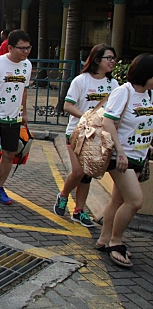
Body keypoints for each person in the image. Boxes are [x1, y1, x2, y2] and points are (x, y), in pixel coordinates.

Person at [94, 54, 153, 268]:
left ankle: (104, 239)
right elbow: (108, 122)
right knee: (135, 201)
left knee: (118, 200)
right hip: (121, 157)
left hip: (138, 156)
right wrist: (119, 151)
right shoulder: (124, 91)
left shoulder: (149, 94)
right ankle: (116, 241)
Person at [54, 44, 119, 227]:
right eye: (109, 58)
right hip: (78, 133)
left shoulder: (113, 84)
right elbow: (68, 105)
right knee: (79, 171)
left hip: (99, 135)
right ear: (97, 60)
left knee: (88, 173)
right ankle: (63, 195)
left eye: (114, 58)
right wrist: (88, 118)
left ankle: (79, 211)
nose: (112, 61)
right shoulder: (81, 81)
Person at [0, 30, 32, 205]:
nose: (25, 52)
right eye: (22, 48)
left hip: (14, 118)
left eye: (28, 48)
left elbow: (24, 89)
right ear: (10, 47)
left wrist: (24, 112)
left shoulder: (27, 65)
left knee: (9, 154)